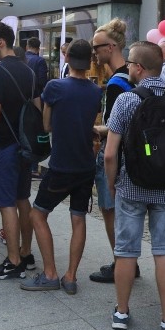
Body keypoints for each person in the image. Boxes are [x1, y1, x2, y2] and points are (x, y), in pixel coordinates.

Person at [105, 41, 165, 330]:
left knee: (126, 250)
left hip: (131, 186)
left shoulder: (126, 101)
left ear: (139, 68)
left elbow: (109, 153)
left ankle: (121, 312)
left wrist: (111, 183)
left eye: (130, 63)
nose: (127, 67)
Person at [21, 39, 102, 294]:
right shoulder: (95, 90)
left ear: (67, 58)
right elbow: (93, 126)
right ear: (89, 61)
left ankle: (50, 273)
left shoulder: (55, 87)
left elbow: (46, 126)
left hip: (62, 164)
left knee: (38, 214)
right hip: (86, 165)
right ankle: (70, 276)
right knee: (78, 218)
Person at [0, 21, 37, 279]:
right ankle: (26, 253)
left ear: (1, 42)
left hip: (5, 146)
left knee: (6, 204)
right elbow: (38, 109)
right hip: (26, 146)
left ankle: (13, 261)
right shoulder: (30, 71)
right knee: (22, 199)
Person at [90, 18, 138, 284]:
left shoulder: (118, 82)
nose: (94, 53)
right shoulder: (128, 75)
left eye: (97, 48)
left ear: (110, 47)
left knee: (110, 209)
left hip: (114, 153)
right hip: (125, 154)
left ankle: (121, 263)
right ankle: (127, 261)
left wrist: (98, 130)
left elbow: (119, 125)